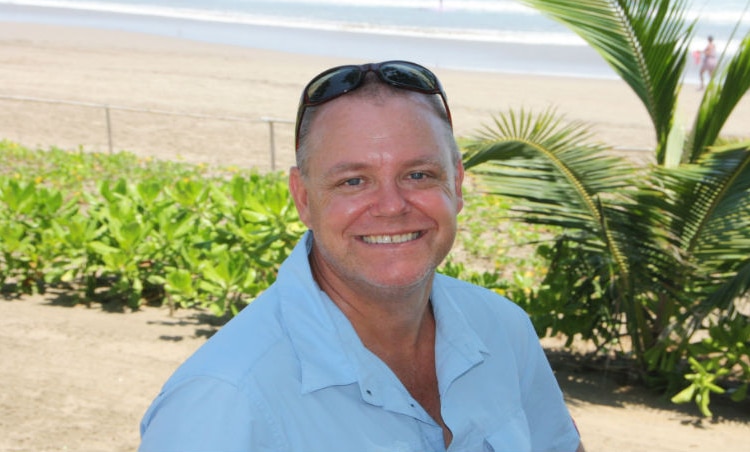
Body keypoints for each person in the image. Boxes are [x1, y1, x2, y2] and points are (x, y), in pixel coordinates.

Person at [138, 60, 584, 452]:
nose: (391, 205)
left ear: (458, 184)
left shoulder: (502, 329)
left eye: (418, 174)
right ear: (303, 198)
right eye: (353, 181)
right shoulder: (226, 400)